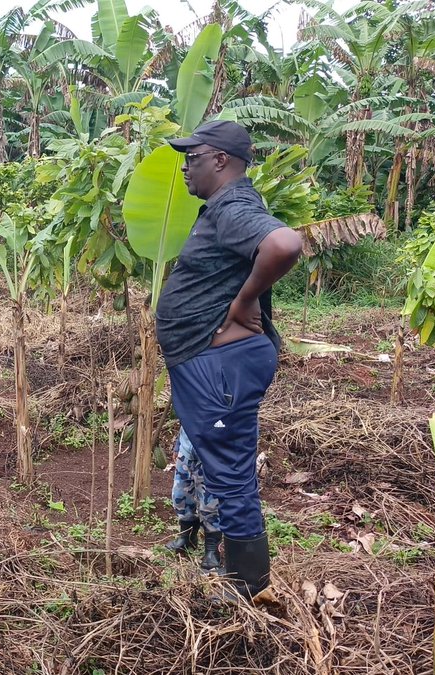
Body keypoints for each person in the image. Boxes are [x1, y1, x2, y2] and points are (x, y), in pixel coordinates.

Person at [155, 121, 303, 599]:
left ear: (220, 159)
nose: (184, 166)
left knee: (231, 475)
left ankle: (246, 589)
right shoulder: (227, 205)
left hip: (220, 364)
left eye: (192, 157)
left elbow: (285, 244)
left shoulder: (233, 204)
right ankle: (245, 583)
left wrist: (243, 303)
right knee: (225, 469)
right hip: (213, 364)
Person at [165, 427, 223, 574]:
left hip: (210, 452)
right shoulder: (189, 402)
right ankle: (187, 537)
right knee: (180, 495)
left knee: (209, 502)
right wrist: (178, 445)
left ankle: (212, 550)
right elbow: (186, 416)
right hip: (186, 448)